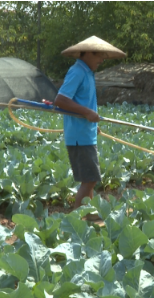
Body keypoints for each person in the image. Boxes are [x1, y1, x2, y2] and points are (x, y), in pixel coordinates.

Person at [54, 36, 126, 215]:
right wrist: (87, 113)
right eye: (99, 56)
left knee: (89, 178)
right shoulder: (77, 71)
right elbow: (61, 100)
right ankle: (76, 220)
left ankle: (90, 213)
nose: (102, 60)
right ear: (87, 53)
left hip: (86, 133)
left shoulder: (87, 72)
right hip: (79, 136)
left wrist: (92, 122)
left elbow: (84, 102)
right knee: (91, 179)